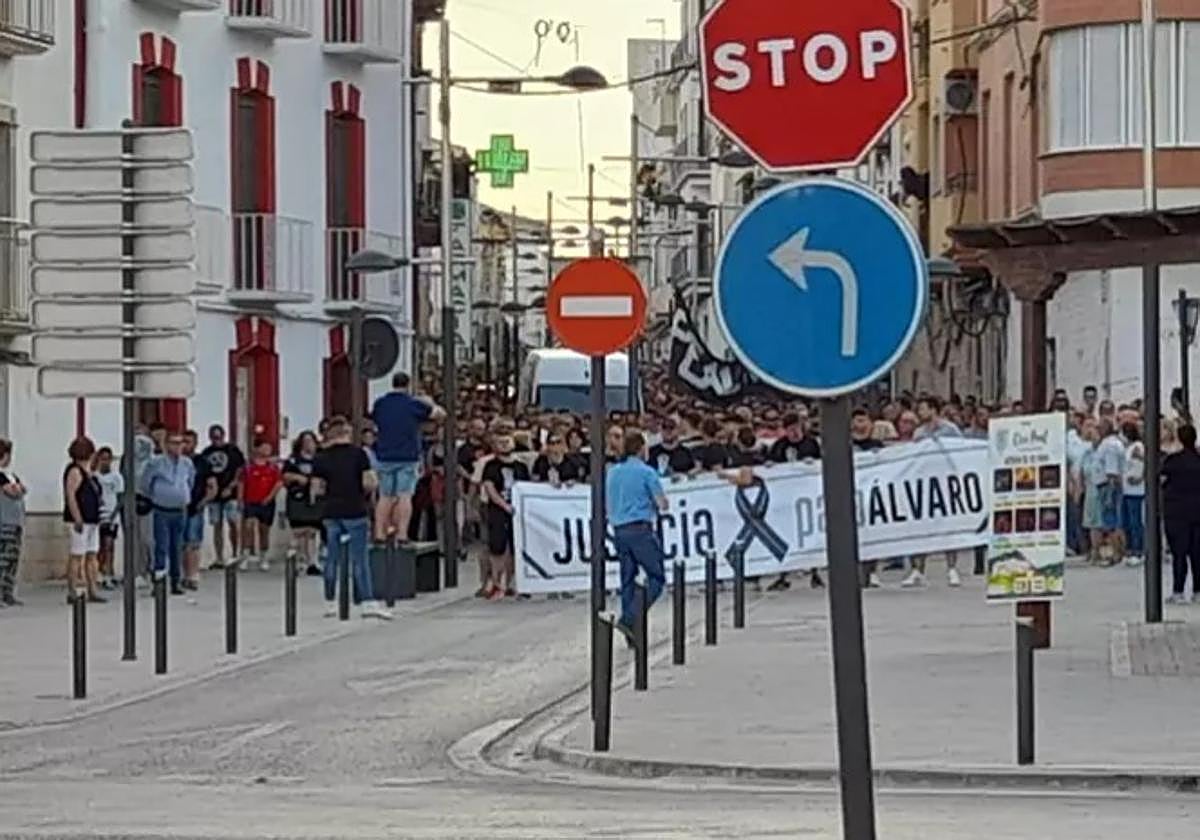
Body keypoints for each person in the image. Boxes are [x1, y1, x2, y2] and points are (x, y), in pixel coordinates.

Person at [313, 416, 390, 619]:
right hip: (355, 509)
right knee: (360, 559)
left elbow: (317, 488)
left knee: (331, 558)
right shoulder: (359, 454)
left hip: (331, 511)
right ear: (347, 432)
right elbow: (369, 483)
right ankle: (367, 601)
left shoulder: (321, 457)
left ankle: (330, 602)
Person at [606, 430, 669, 645]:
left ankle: (631, 635)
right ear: (641, 448)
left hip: (619, 530)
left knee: (627, 581)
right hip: (640, 529)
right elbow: (662, 503)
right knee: (656, 578)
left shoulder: (613, 472)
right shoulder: (646, 472)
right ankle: (629, 618)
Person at [370, 372, 446, 543]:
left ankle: (380, 533)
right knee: (404, 495)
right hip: (407, 455)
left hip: (384, 455)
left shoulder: (380, 403)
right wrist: (428, 402)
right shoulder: (413, 404)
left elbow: (374, 419)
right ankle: (402, 533)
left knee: (385, 496)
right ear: (408, 384)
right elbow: (440, 414)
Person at [904, 396, 964, 588]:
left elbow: (960, 452)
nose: (920, 413)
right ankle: (918, 570)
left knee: (948, 525)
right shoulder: (918, 433)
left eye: (923, 409)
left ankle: (952, 569)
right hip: (924, 482)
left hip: (945, 482)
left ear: (933, 409)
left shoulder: (950, 430)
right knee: (920, 527)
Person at [141, 431, 195, 595]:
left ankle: (175, 581)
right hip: (161, 510)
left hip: (180, 510)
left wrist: (182, 496)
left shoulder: (187, 463)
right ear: (166, 445)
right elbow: (145, 483)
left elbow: (190, 481)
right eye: (174, 443)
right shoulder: (156, 463)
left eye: (180, 443)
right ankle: (159, 582)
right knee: (161, 546)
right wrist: (159, 495)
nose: (178, 447)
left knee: (177, 546)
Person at [480, 434, 530, 599]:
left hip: (517, 511)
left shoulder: (521, 467)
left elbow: (527, 487)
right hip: (498, 512)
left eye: (507, 441)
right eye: (500, 442)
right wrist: (504, 505)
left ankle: (510, 583)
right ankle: (496, 582)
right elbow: (489, 487)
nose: (504, 445)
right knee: (497, 548)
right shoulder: (490, 466)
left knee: (516, 548)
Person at [1162, 424, 1200, 603]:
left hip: (1176, 513)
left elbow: (1161, 480)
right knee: (1197, 553)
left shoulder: (1172, 461)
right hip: (1197, 512)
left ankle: (1178, 591)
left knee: (1179, 553)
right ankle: (1198, 591)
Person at [63, 436, 104, 603]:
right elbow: (71, 495)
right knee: (77, 555)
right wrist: (77, 517)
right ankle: (73, 590)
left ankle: (92, 588)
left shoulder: (88, 472)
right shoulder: (74, 471)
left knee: (92, 554)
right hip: (80, 520)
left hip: (92, 519)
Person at [198, 424, 245, 570]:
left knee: (233, 523)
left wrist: (232, 487)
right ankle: (219, 557)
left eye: (218, 437)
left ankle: (236, 553)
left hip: (230, 493)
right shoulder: (206, 452)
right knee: (216, 525)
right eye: (213, 437)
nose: (216, 440)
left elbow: (240, 470)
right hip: (214, 495)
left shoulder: (233, 450)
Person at [283, 431, 323, 576]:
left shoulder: (320, 459)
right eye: (305, 441)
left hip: (315, 499)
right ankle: (298, 561)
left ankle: (313, 562)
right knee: (298, 532)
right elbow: (285, 476)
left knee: (313, 532)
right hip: (297, 498)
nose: (308, 444)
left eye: (311, 441)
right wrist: (298, 478)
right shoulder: (293, 460)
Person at [181, 430, 214, 590]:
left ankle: (192, 575)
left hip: (195, 507)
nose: (185, 445)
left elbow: (212, 484)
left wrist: (204, 501)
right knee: (180, 543)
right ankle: (181, 574)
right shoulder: (175, 461)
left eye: (189, 441)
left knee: (193, 542)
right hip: (177, 507)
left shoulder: (202, 462)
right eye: (183, 441)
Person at [241, 438, 281, 571]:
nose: (267, 450)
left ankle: (263, 557)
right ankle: (245, 556)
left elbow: (278, 484)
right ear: (257, 449)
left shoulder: (273, 467)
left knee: (264, 530)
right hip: (250, 501)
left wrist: (269, 498)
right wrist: (240, 499)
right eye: (264, 447)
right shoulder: (248, 467)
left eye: (268, 448)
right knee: (248, 527)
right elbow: (242, 483)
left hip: (266, 502)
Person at [0, 438, 27, 607]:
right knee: (2, 560)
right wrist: (16, 489)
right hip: (3, 522)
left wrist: (18, 488)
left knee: (12, 560)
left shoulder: (11, 475)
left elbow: (22, 489)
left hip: (15, 522)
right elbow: (12, 491)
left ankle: (8, 592)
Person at [94, 447, 124, 590]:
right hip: (98, 515)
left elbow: (120, 498)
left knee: (109, 545)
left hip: (111, 515)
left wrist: (113, 516)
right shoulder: (95, 477)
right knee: (98, 546)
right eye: (102, 459)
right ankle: (98, 572)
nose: (105, 462)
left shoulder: (116, 477)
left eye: (107, 459)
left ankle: (109, 573)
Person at [1121, 421, 1146, 567]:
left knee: (1136, 522)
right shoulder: (1127, 447)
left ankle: (1139, 550)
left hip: (1137, 489)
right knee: (1127, 522)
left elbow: (1144, 463)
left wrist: (1140, 477)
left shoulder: (1138, 447)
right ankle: (1130, 549)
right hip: (1126, 489)